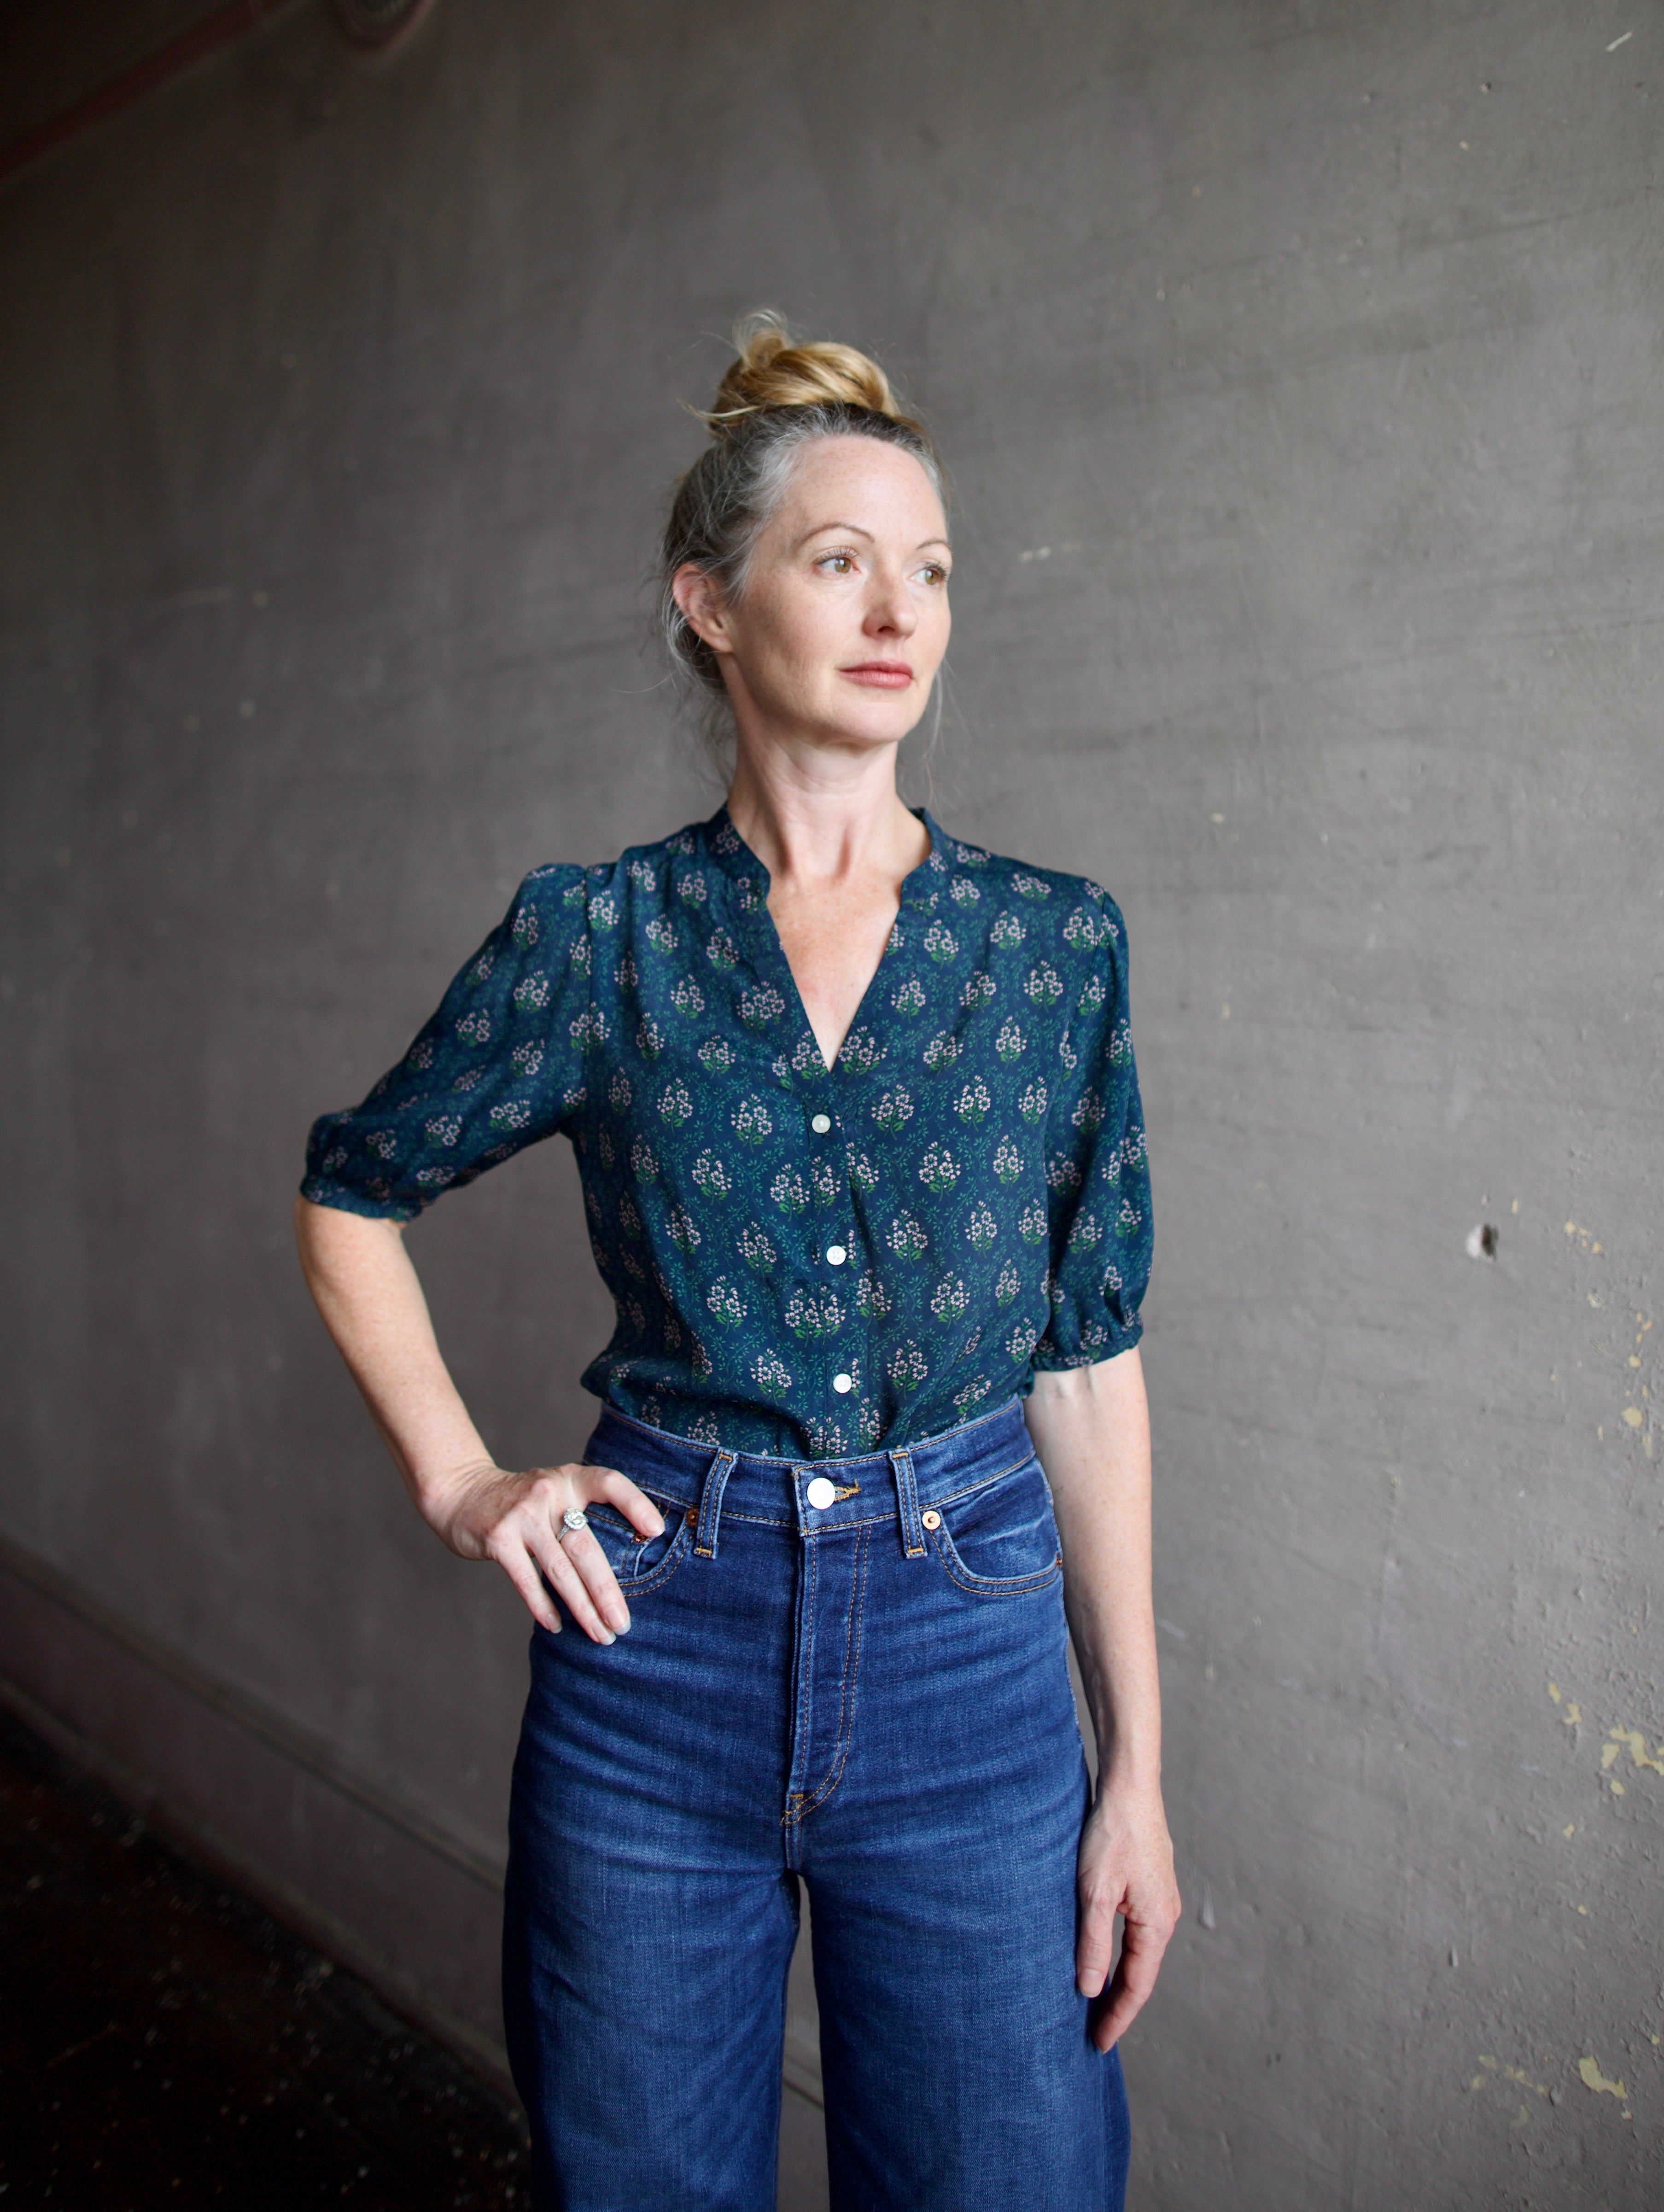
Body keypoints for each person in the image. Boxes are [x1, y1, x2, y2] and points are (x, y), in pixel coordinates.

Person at [294, 314, 1180, 2212]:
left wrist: (1139, 1774)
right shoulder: (596, 935)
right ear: (710, 602)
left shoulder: (1052, 951)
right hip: (654, 1647)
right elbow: (353, 1185)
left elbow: (1087, 1369)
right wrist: (461, 1477)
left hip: (972, 1644)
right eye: (837, 558)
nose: (898, 609)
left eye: (928, 568)